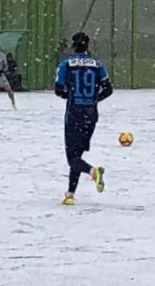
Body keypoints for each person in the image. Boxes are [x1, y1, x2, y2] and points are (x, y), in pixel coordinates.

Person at [54, 32, 113, 206]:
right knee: (77, 154)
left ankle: (92, 171)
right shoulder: (98, 65)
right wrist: (94, 100)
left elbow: (58, 89)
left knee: (73, 158)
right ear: (88, 46)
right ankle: (70, 193)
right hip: (91, 114)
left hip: (74, 113)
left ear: (73, 46)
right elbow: (108, 89)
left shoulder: (66, 64)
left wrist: (71, 96)